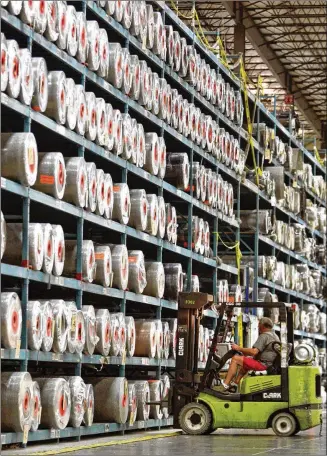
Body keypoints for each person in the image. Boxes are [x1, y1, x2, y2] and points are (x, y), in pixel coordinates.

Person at [220, 317, 280, 392]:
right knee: (245, 363)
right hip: (269, 365)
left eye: (259, 325)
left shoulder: (264, 336)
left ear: (263, 326)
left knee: (235, 359)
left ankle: (225, 384)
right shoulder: (275, 336)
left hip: (263, 365)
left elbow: (254, 352)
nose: (258, 327)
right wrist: (245, 353)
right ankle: (235, 385)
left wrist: (239, 348)